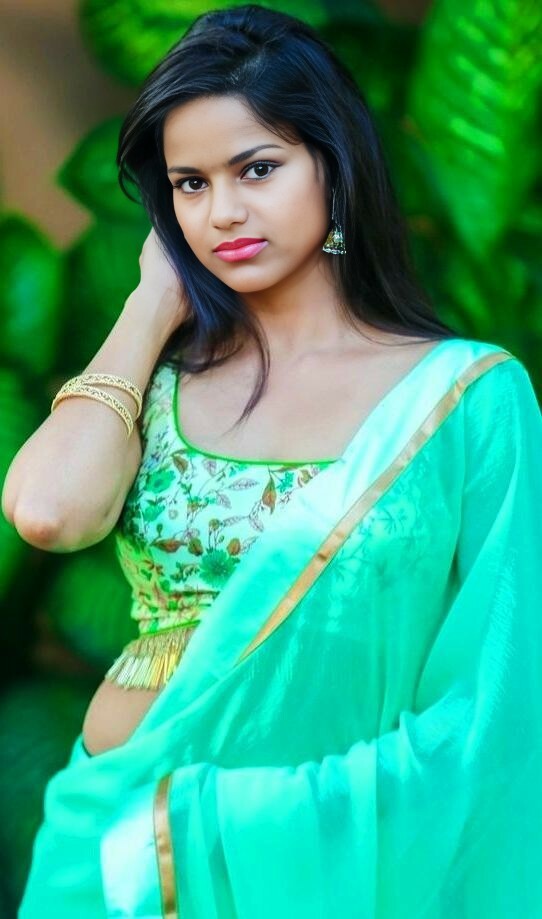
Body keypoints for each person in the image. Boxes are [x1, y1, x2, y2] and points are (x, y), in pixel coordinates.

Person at [4, 5, 541, 917]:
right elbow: (49, 513)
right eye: (190, 183)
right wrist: (150, 302)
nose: (223, 212)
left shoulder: (462, 399)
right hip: (114, 849)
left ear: (334, 166)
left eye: (257, 169)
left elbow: (496, 699)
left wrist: (259, 817)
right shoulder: (159, 388)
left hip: (330, 864)